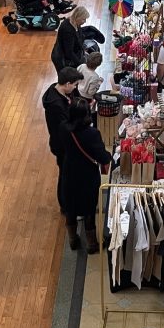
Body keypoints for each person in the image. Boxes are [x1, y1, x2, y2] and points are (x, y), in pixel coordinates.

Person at [61, 98, 111, 253]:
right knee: (89, 209)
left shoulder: (64, 128)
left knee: (70, 208)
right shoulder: (92, 133)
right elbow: (102, 156)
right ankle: (91, 244)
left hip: (68, 173)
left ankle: (72, 239)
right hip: (87, 176)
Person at [42, 67, 83, 213]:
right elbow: (65, 127)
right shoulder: (56, 106)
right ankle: (65, 206)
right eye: (75, 84)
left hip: (64, 143)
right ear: (67, 84)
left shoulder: (59, 91)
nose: (76, 87)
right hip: (63, 145)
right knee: (65, 175)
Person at [52, 6, 90, 71]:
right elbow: (69, 52)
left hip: (70, 56)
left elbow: (79, 38)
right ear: (78, 17)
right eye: (83, 19)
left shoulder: (76, 24)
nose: (85, 21)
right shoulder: (68, 30)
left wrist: (83, 51)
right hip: (62, 59)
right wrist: (80, 64)